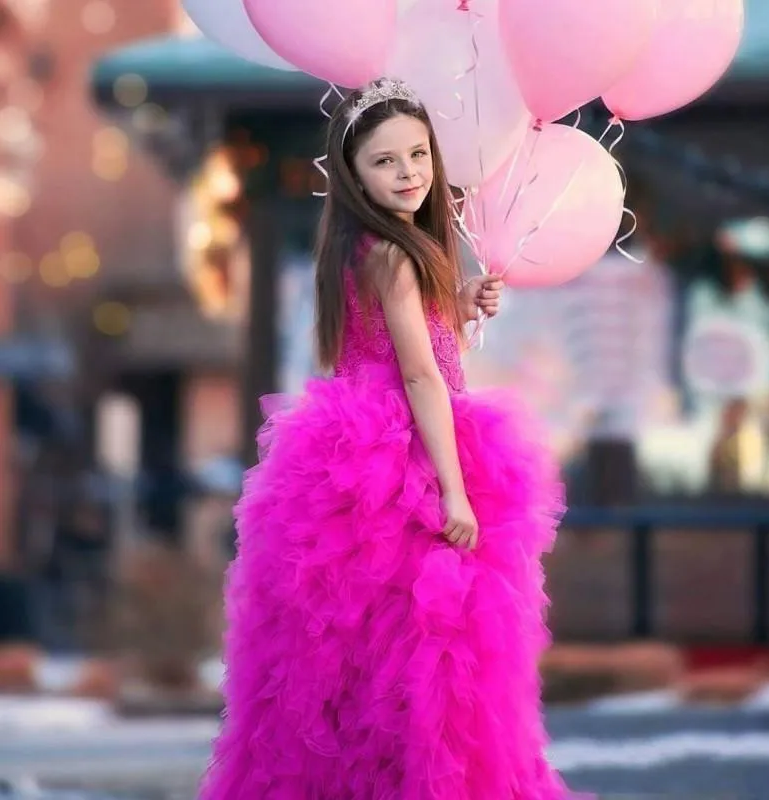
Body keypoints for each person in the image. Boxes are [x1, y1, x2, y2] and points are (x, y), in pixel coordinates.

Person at [200, 78, 574, 799]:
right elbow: (421, 376)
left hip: (358, 453)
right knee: (427, 653)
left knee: (362, 652)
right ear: (352, 173)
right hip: (401, 461)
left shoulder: (369, 248)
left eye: (417, 156)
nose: (407, 174)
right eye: (384, 162)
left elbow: (399, 339)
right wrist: (455, 490)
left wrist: (456, 306)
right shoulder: (395, 255)